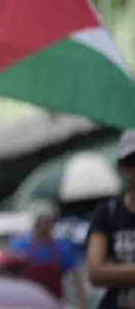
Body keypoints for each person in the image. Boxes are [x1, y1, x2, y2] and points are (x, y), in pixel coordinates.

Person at [87, 129, 135, 309]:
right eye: (132, 162)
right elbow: (95, 273)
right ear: (123, 167)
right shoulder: (107, 212)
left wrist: (115, 271)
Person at [10, 201, 87, 308]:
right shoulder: (21, 246)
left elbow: (77, 279)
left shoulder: (63, 249)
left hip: (54, 303)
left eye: (47, 223)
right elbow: (12, 277)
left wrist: (83, 303)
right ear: (35, 224)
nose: (44, 228)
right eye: (41, 223)